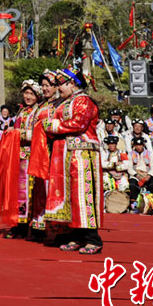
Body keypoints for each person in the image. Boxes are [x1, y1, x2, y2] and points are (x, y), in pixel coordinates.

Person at [44, 69, 103, 254]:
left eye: (61, 84)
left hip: (82, 154)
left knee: (83, 196)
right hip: (67, 154)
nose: (58, 88)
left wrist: (55, 126)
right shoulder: (68, 101)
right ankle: (75, 235)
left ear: (72, 83)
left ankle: (92, 238)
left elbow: (79, 123)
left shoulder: (83, 101)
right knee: (70, 198)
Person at [0, 80, 47, 240]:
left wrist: (14, 133)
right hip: (19, 158)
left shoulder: (39, 112)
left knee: (34, 193)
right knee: (19, 193)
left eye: (31, 93)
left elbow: (36, 135)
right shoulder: (22, 112)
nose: (28, 96)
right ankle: (19, 225)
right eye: (26, 93)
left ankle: (36, 227)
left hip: (33, 157)